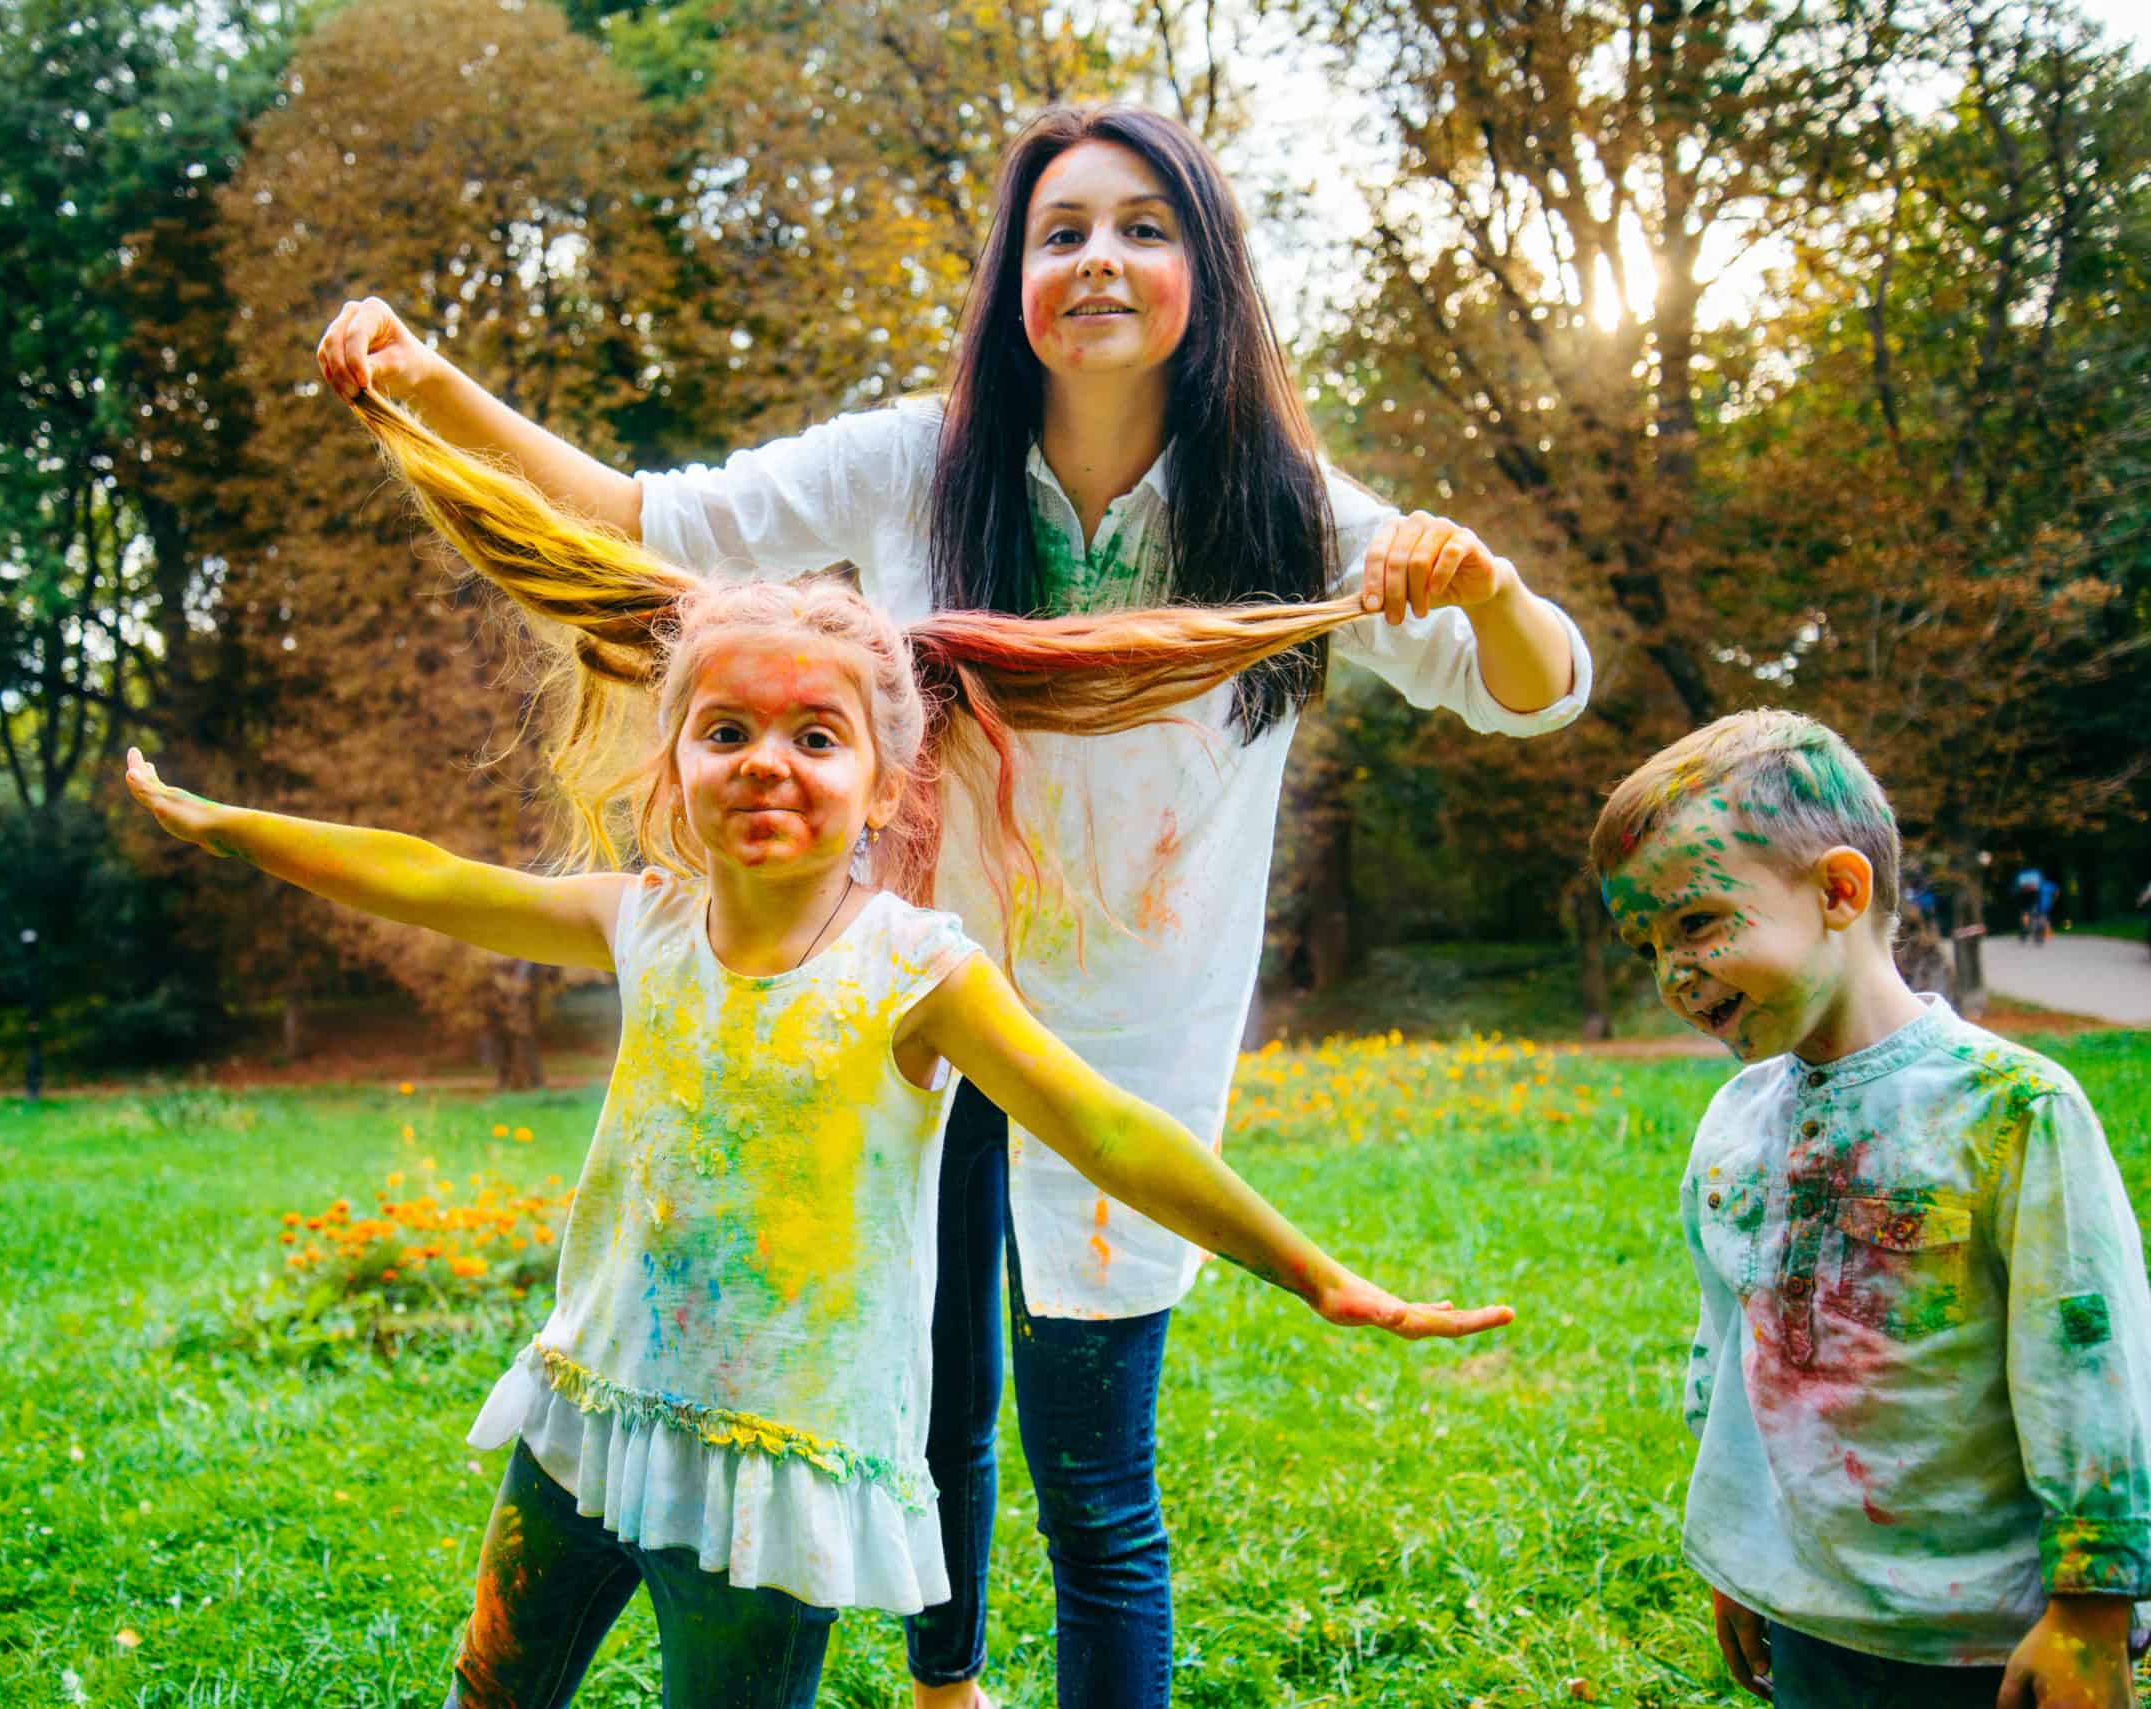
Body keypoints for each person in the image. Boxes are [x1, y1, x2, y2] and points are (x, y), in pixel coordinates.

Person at [315, 102, 1590, 1707]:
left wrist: (1487, 588)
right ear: (1012, 281)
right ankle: (948, 1682)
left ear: (1207, 269)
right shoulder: (916, 465)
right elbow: (650, 520)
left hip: (1125, 1044)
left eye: (1144, 226)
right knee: (927, 1407)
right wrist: (427, 384)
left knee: (1099, 1481)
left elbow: (1536, 693)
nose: (1101, 261)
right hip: (905, 1009)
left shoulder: (1284, 511)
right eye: (1060, 233)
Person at [125, 401, 1514, 1709]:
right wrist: (223, 825)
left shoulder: (915, 976)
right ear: (672, 770)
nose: (766, 761)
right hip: (588, 1419)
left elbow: (1107, 1132)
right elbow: (425, 877)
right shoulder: (646, 924)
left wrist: (1317, 1274)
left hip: (770, 1480)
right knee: (488, 1689)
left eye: (814, 733)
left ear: (884, 782)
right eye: (724, 731)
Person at [1590, 710, 2151, 1709]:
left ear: (1840, 890)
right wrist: (1742, 1553)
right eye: (1645, 944)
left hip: (1987, 1633)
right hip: (1810, 1618)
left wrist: (2090, 1608)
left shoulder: (2009, 1110)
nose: (1672, 972)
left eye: (1695, 921)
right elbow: (1723, 1349)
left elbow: (2089, 1368)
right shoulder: (1731, 1119)